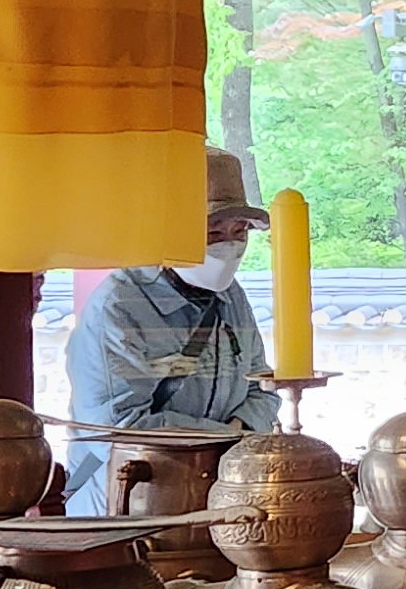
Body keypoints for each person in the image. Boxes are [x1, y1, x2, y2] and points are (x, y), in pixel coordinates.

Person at [61, 146, 278, 511]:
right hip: (125, 506)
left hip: (214, 497)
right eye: (213, 231)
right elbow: (123, 427)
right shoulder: (120, 306)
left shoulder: (231, 296)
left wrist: (237, 434)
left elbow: (263, 387)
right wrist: (233, 438)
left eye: (239, 230)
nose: (229, 245)